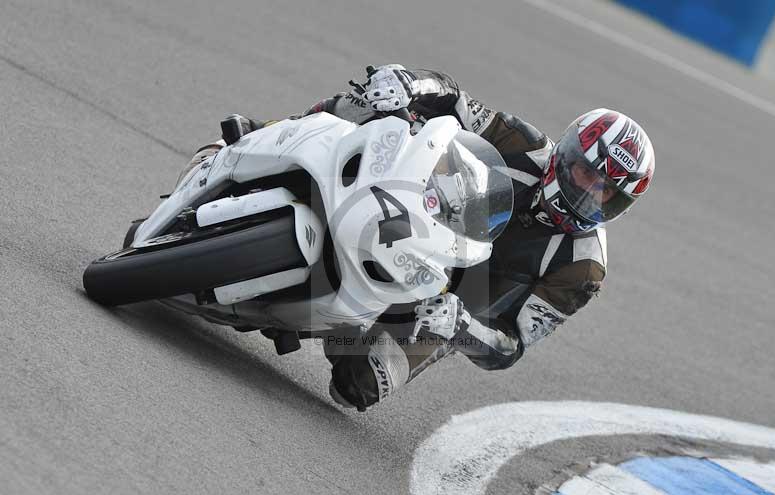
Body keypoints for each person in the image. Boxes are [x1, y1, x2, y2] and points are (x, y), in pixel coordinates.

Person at [180, 65, 656, 411]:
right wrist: (409, 83)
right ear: (567, 151)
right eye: (584, 173)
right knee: (377, 102)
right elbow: (450, 97)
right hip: (423, 211)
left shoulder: (583, 268)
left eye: (605, 193)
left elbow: (511, 346)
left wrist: (464, 328)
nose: (586, 193)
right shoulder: (524, 142)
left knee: (357, 386)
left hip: (450, 301)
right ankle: (255, 138)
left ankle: (327, 320)